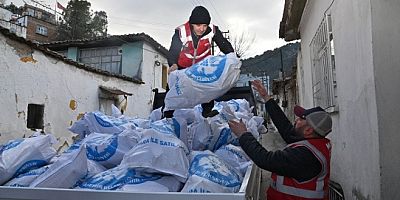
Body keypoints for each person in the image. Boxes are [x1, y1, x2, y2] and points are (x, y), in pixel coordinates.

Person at [228, 79, 333, 200]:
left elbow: (265, 159)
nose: (296, 120)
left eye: (300, 119)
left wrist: (243, 134)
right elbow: (286, 130)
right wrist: (267, 98)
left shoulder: (305, 156)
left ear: (308, 130)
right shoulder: (314, 143)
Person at [164, 6, 235, 118]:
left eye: (204, 25)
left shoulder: (213, 30)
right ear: (192, 24)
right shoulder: (181, 32)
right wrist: (173, 64)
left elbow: (223, 44)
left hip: (202, 66)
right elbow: (173, 50)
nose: (201, 29)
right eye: (198, 25)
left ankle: (207, 111)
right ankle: (167, 114)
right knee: (173, 89)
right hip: (183, 66)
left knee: (208, 86)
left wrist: (232, 56)